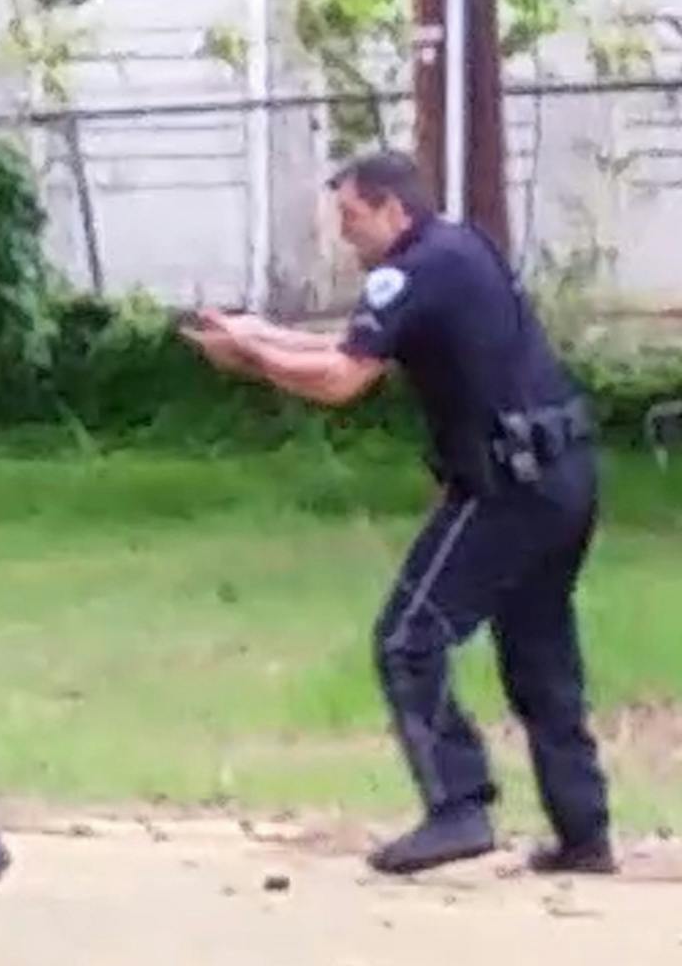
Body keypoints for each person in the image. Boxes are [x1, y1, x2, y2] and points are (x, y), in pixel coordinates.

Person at [181, 150, 614, 876]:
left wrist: (254, 361)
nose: (345, 235)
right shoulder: (458, 247)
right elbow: (345, 348)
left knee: (407, 639)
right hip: (564, 475)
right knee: (540, 655)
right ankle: (583, 832)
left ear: (392, 209)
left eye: (351, 217)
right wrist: (255, 336)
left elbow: (341, 378)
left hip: (509, 487)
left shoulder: (410, 270)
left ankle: (459, 807)